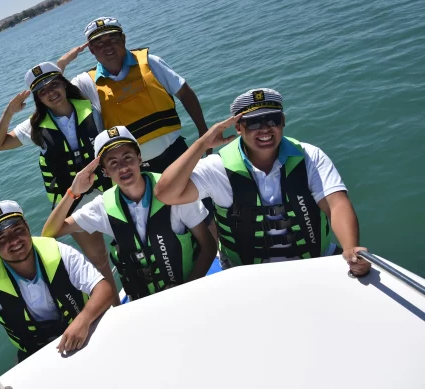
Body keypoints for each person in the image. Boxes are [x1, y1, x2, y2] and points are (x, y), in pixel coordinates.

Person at [153, 88, 371, 276]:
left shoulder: (309, 156)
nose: (265, 128)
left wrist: (351, 248)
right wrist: (201, 144)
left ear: (283, 121)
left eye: (272, 120)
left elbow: (337, 204)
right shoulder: (218, 167)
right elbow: (166, 193)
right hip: (247, 273)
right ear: (238, 128)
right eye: (253, 123)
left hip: (314, 261)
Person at [0, 200, 115, 362]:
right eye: (2, 239)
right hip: (34, 355)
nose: (14, 241)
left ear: (27, 227)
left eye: (17, 231)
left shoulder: (58, 252)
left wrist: (83, 320)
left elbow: (104, 289)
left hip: (83, 333)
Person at [0, 62, 117, 302]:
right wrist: (9, 111)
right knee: (99, 259)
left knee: (129, 243)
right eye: (42, 90)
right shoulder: (35, 126)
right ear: (38, 98)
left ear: (64, 84)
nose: (50, 92)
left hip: (108, 190)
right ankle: (116, 307)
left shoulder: (92, 106)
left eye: (54, 84)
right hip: (72, 201)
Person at [42, 127, 217, 301]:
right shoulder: (102, 207)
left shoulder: (172, 190)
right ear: (104, 171)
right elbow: (49, 234)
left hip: (190, 292)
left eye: (127, 158)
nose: (123, 167)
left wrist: (186, 289)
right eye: (113, 163)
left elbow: (208, 246)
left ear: (139, 158)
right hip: (143, 305)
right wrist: (73, 192)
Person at [57, 16, 210, 172]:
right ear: (91, 50)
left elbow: (185, 93)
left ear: (123, 39)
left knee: (201, 195)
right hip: (134, 170)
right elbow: (53, 89)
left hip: (177, 153)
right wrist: (64, 61)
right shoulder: (86, 83)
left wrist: (204, 131)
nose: (107, 46)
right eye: (99, 43)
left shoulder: (150, 62)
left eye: (113, 38)